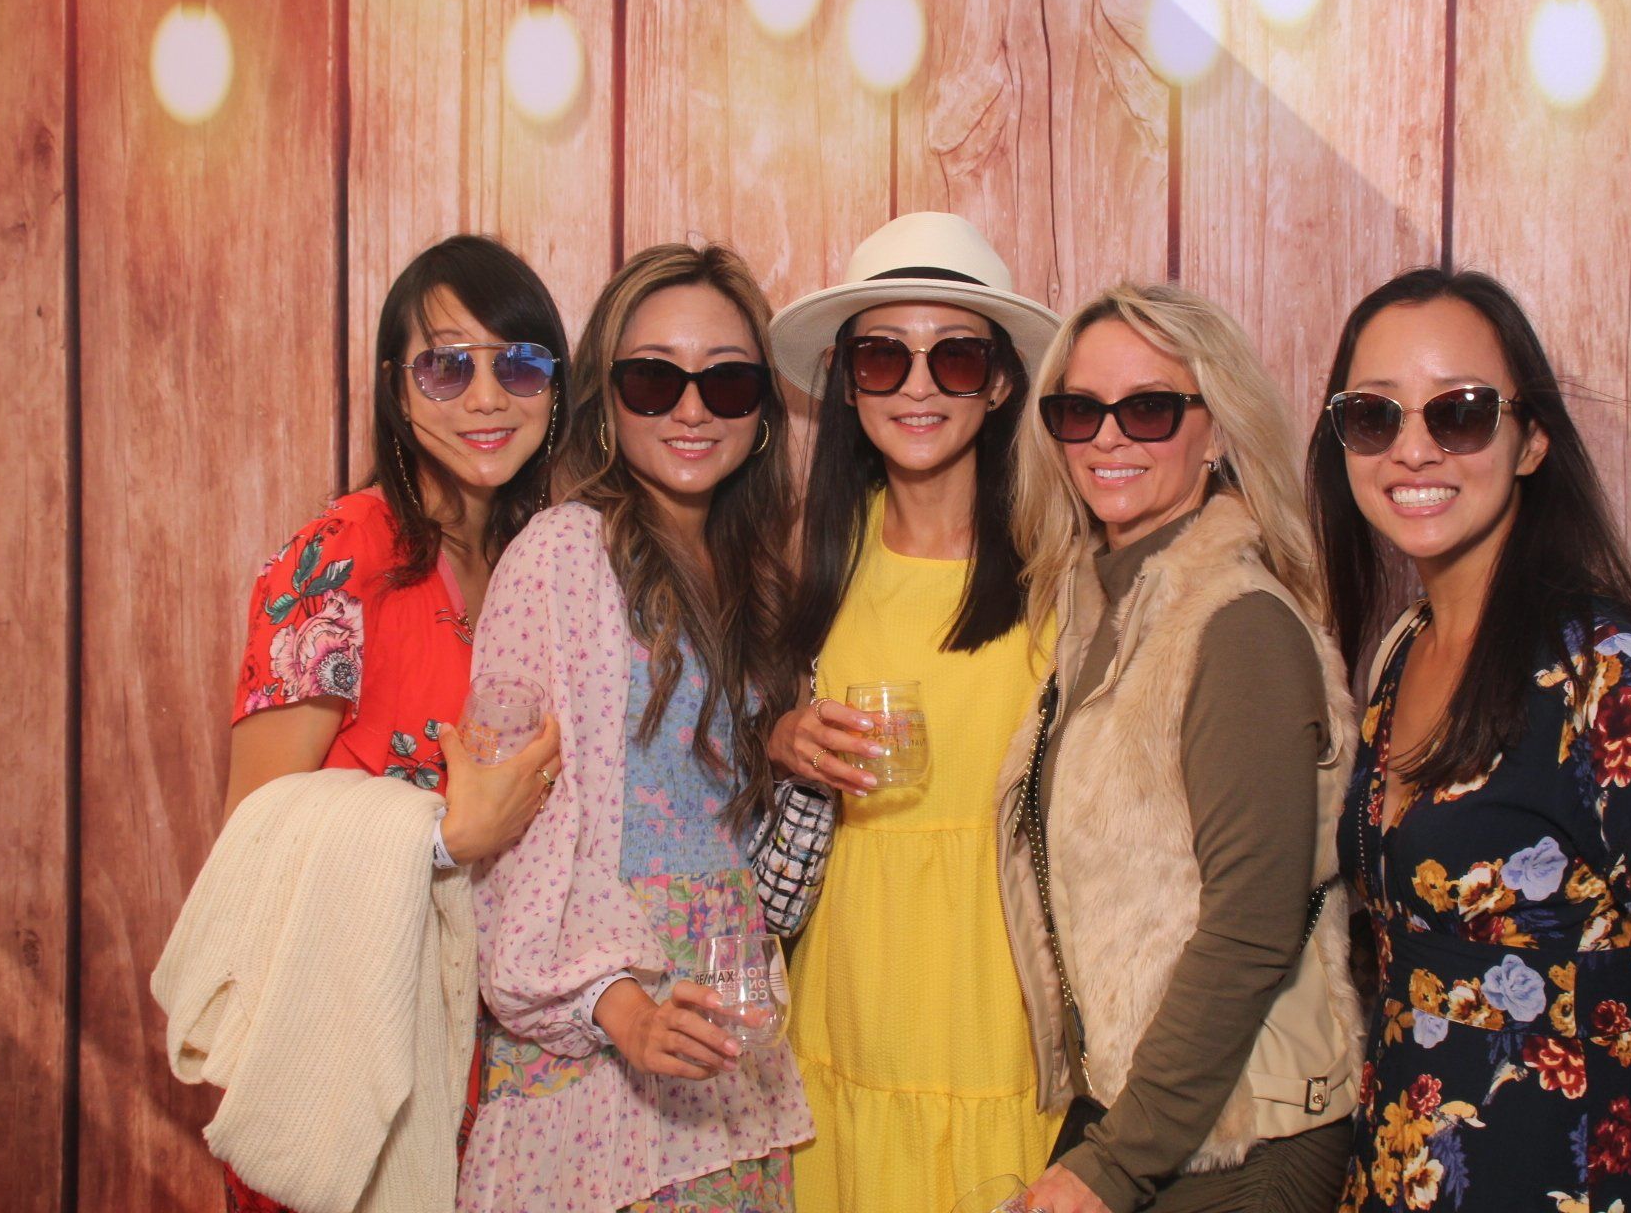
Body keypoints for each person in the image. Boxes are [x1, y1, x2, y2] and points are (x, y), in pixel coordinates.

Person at [1308, 268, 1631, 1211]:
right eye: (1374, 416)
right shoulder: (1402, 651)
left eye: (1459, 413)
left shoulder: (1610, 676)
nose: (1412, 448)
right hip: (1395, 1179)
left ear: (1531, 439)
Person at [457, 243, 813, 1212]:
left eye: (726, 381)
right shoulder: (563, 555)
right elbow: (511, 830)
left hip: (725, 1022)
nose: (692, 410)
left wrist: (781, 746)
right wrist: (620, 1008)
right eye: (654, 379)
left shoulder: (755, 575)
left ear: (761, 412)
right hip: (601, 1033)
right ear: (606, 400)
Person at [217, 234, 565, 1211]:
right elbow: (253, 835)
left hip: (503, 1071)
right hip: (352, 1055)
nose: (487, 397)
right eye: (446, 367)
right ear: (395, 389)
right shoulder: (340, 558)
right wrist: (445, 835)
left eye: (520, 365)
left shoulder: (543, 562)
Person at [1008, 282, 1361, 1213]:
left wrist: (1115, 1163)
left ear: (1216, 431)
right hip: (1154, 1121)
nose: (1108, 438)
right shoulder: (1105, 606)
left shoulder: (1237, 626)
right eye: (1080, 410)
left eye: (1149, 409)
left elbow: (1249, 929)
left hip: (1245, 1143)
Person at [765, 211, 1064, 1212]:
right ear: (849, 383)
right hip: (848, 997)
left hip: (997, 1004)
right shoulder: (814, 556)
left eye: (957, 356)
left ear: (1001, 381)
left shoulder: (1061, 569)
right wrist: (781, 738)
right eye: (885, 356)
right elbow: (723, 741)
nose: (919, 386)